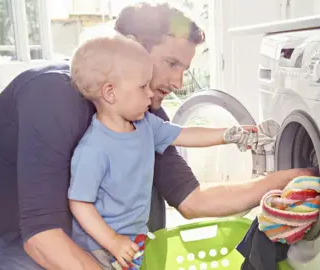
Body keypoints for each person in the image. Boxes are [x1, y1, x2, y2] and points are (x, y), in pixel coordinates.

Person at [0, 3, 316, 269]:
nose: (179, 82)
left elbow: (193, 200)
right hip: (1, 241)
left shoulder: (140, 114)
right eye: (171, 63)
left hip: (69, 235)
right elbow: (41, 238)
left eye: (184, 68)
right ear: (131, 49)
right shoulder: (53, 96)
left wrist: (286, 179)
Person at [67, 33, 258, 269]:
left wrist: (228, 134)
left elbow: (183, 134)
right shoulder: (94, 149)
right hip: (99, 247)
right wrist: (113, 241)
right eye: (142, 86)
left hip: (134, 237)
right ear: (110, 92)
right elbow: (80, 204)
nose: (150, 93)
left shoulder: (146, 124)